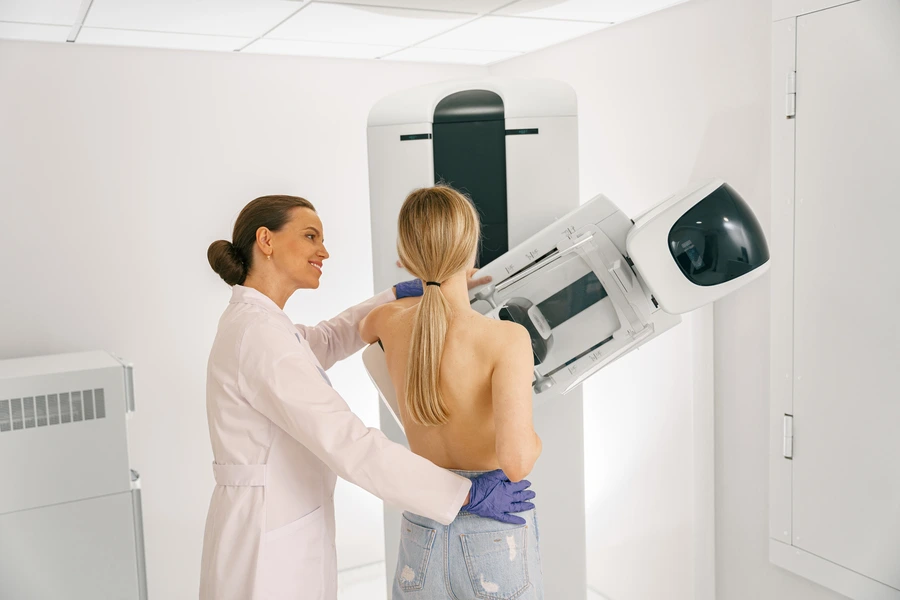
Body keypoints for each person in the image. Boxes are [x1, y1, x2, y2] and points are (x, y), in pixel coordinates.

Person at [200, 194, 536, 600]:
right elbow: (350, 444)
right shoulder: (259, 336)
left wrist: (393, 296)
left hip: (391, 530)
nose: (324, 251)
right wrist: (465, 493)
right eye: (310, 236)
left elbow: (326, 339)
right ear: (266, 240)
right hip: (264, 540)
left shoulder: (268, 326)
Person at [359, 186, 544, 600]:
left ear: (406, 258)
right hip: (492, 530)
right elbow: (517, 462)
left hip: (423, 523)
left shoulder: (387, 321)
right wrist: (535, 438)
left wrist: (420, 286)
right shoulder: (507, 338)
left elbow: (364, 327)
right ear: (471, 251)